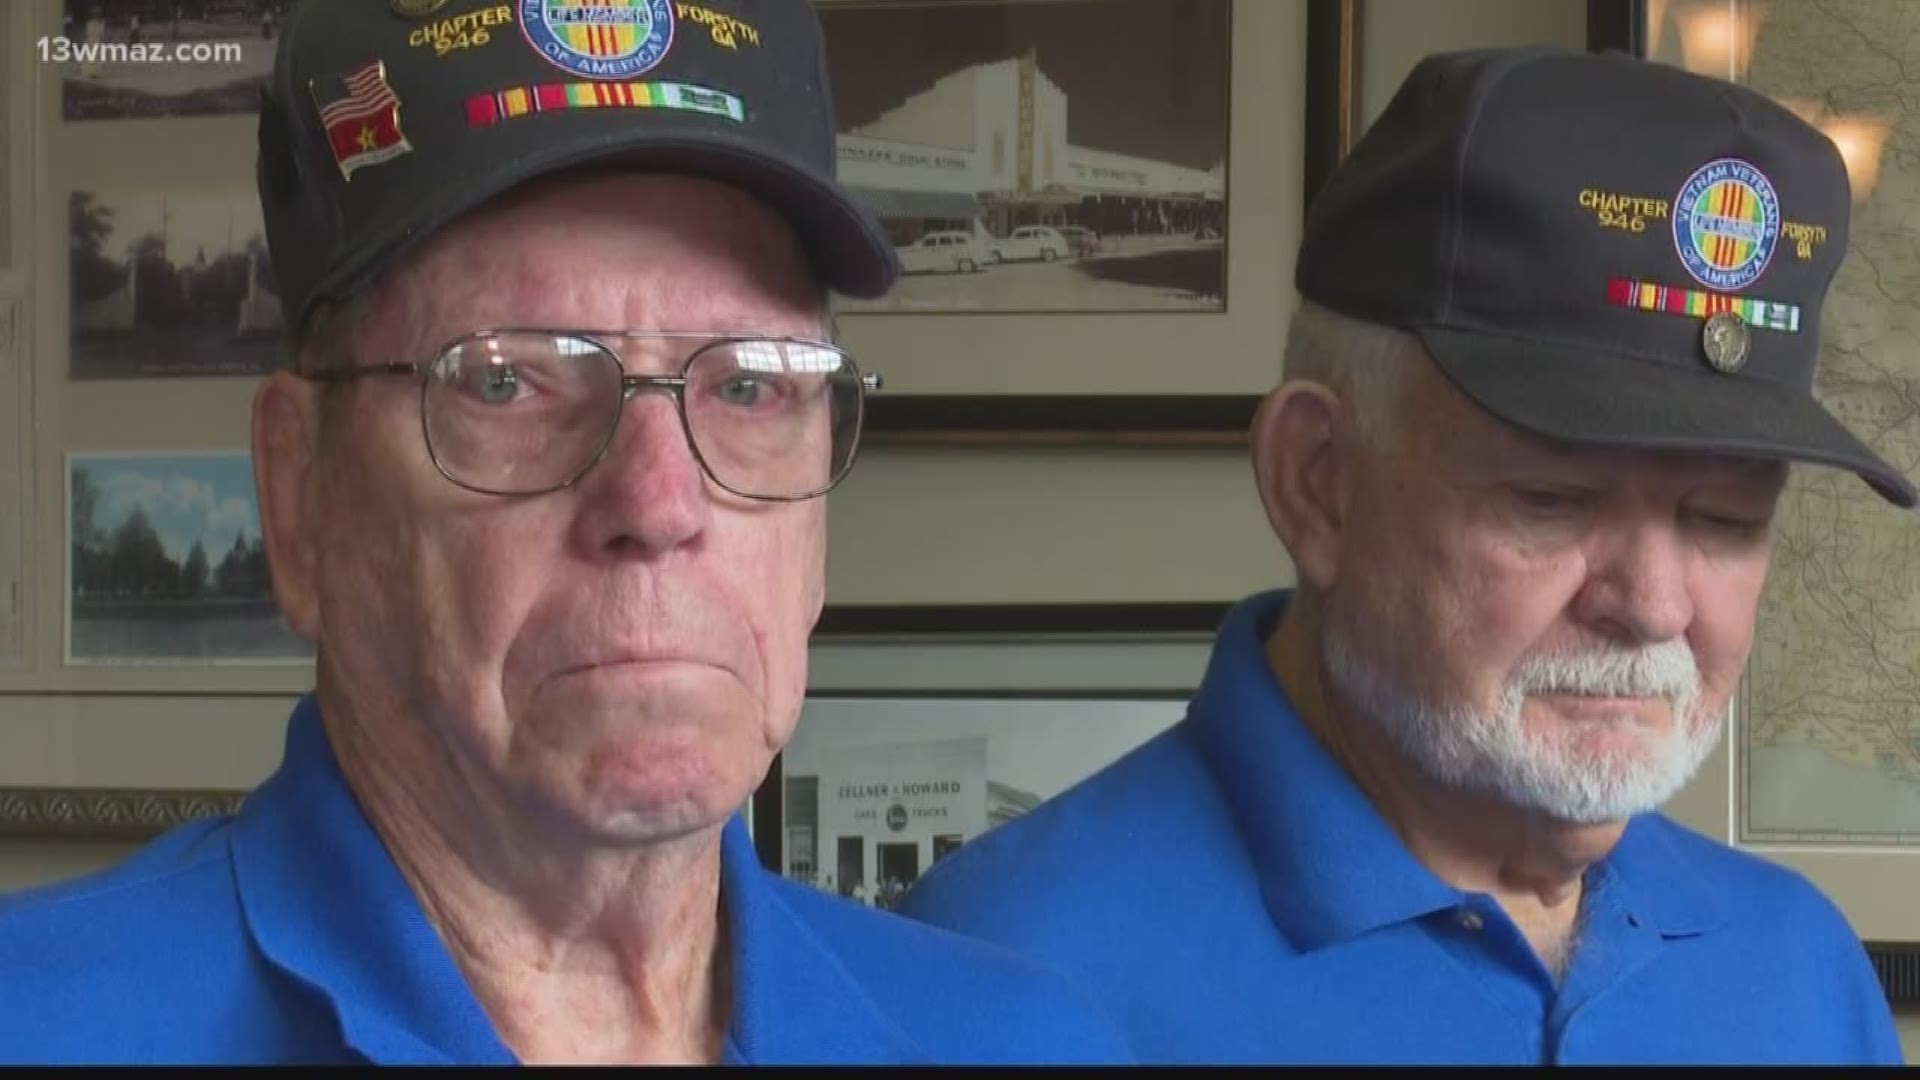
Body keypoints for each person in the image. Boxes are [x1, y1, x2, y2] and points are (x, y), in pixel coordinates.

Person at [0, 1, 1130, 1066]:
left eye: (749, 389)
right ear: (302, 499)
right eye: (507, 382)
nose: (658, 504)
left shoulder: (1027, 1041)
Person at [897, 45, 1915, 1065]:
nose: (1651, 606)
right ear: (1318, 481)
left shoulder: (1800, 969)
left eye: (1725, 520)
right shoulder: (992, 976)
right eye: (1553, 500)